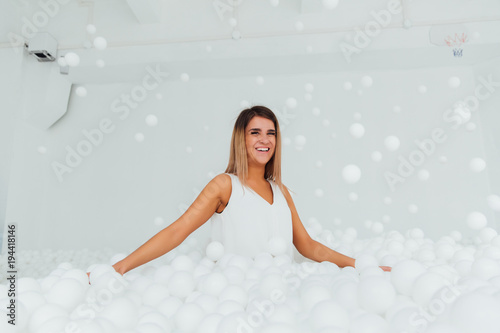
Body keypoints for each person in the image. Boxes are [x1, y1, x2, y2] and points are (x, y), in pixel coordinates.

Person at [87, 105, 390, 282]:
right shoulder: (224, 185)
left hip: (278, 291)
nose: (264, 140)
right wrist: (118, 269)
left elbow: (309, 247)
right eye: (255, 132)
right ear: (241, 139)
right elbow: (178, 230)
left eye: (271, 133)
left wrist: (362, 265)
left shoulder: (281, 191)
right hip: (235, 294)